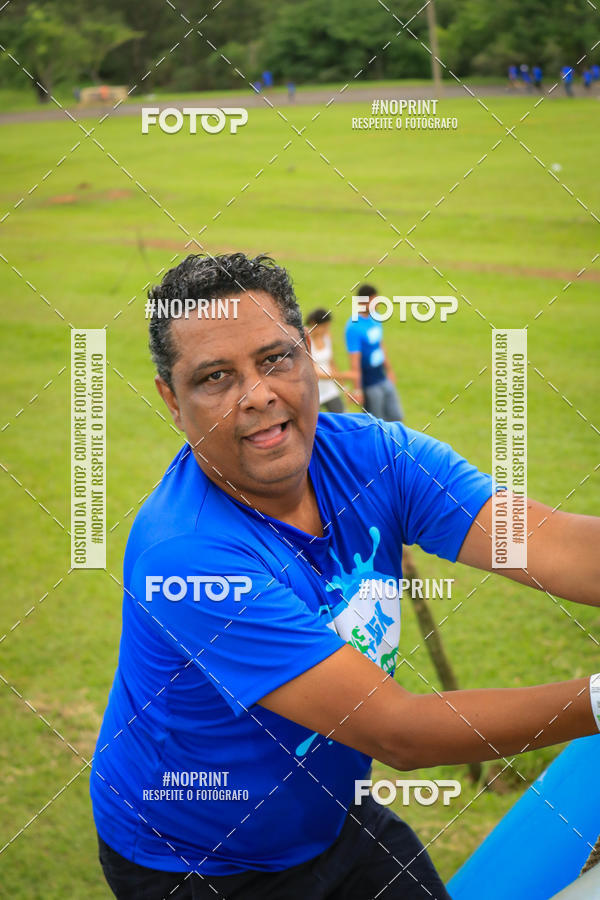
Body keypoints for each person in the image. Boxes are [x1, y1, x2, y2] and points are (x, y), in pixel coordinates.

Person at [91, 253, 600, 900]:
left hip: (330, 811)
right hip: (198, 862)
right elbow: (396, 731)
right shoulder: (186, 557)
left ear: (309, 355)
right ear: (171, 398)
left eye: (275, 358)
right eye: (216, 377)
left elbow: (552, 545)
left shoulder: (376, 457)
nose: (258, 394)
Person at [344, 283, 403, 420]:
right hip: (369, 384)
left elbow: (380, 344)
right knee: (376, 422)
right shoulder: (353, 327)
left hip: (382, 377)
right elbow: (354, 361)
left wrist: (389, 370)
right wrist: (358, 390)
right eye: (373, 300)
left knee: (397, 416)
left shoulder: (376, 317)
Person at [305, 308, 348, 413]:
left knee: (342, 418)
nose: (326, 330)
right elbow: (315, 373)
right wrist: (344, 375)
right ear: (313, 324)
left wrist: (344, 387)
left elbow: (331, 363)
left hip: (330, 391)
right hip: (314, 394)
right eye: (324, 327)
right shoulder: (305, 342)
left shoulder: (327, 337)